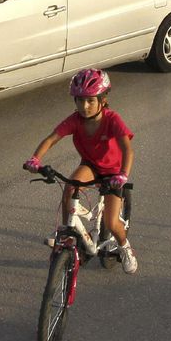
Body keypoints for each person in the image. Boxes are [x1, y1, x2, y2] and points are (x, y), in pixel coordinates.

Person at [24, 69, 137, 274]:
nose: (84, 106)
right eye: (79, 100)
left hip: (113, 172)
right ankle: (68, 233)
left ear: (103, 100)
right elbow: (51, 139)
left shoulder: (112, 120)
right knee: (70, 186)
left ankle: (125, 247)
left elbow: (127, 149)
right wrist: (35, 159)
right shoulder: (75, 120)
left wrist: (123, 175)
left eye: (90, 101)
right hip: (91, 165)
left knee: (112, 222)